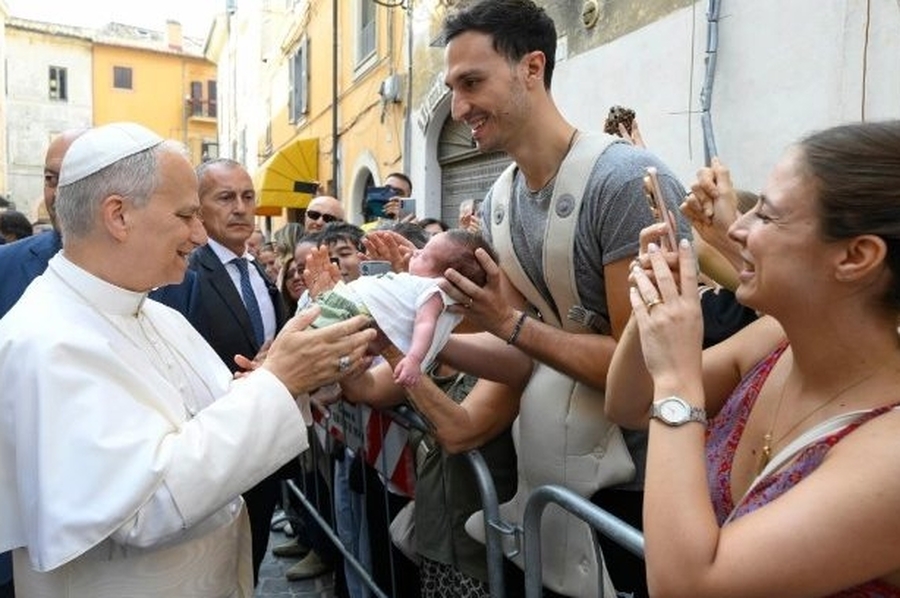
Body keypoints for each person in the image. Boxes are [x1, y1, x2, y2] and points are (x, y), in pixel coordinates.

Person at [0, 122, 376, 597]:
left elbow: (205, 415)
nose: (200, 235)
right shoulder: (44, 340)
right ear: (118, 216)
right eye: (185, 215)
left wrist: (295, 372)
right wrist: (278, 382)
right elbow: (140, 506)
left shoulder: (160, 314)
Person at [439, 2, 689, 596]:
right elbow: (522, 354)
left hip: (632, 494)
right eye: (452, 89)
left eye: (472, 83)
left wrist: (508, 322)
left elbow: (648, 368)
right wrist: (416, 343)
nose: (459, 108)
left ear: (532, 67)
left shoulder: (624, 182)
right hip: (548, 490)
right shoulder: (499, 201)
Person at [606, 120, 900, 597]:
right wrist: (656, 297)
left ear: (856, 256)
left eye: (766, 215)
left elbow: (684, 587)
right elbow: (628, 404)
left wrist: (678, 377)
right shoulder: (775, 341)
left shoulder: (889, 455)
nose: (737, 228)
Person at [187, 157, 292, 583]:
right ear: (197, 206)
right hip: (212, 449)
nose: (241, 208)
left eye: (248, 197)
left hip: (262, 449)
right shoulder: (187, 273)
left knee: (252, 558)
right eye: (226, 197)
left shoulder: (258, 271)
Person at [313, 229, 494, 386]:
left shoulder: (435, 290)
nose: (415, 252)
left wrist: (414, 359)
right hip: (346, 305)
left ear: (449, 277)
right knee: (313, 350)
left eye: (424, 255)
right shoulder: (414, 284)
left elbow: (425, 323)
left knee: (312, 350)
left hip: (352, 312)